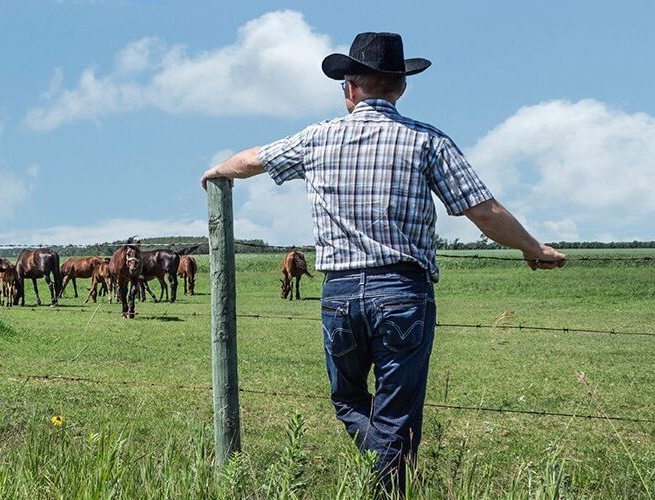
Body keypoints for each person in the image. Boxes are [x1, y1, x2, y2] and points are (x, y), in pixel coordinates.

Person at [199, 32, 566, 491]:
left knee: (348, 399)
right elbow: (483, 210)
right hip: (402, 292)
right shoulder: (427, 140)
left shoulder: (317, 138)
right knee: (398, 411)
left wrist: (217, 171)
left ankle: (382, 476)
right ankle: (388, 483)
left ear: (349, 87)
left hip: (339, 293)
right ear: (401, 86)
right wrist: (534, 248)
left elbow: (252, 160)